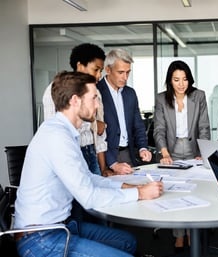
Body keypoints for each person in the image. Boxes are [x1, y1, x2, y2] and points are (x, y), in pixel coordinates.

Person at [14, 71, 164, 257]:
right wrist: (139, 193)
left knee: (127, 242)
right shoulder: (57, 138)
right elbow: (89, 197)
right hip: (40, 239)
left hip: (61, 227)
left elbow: (89, 178)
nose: (98, 104)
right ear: (75, 101)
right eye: (94, 98)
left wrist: (128, 186)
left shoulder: (64, 132)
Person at [153, 60, 211, 251]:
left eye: (185, 79)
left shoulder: (199, 96)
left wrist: (202, 153)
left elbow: (204, 127)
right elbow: (159, 129)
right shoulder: (162, 99)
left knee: (195, 190)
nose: (181, 84)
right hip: (172, 148)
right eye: (176, 79)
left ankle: (190, 232)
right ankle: (178, 233)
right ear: (170, 80)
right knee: (174, 192)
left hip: (193, 148)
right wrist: (164, 153)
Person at [42, 43, 109, 176]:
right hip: (69, 153)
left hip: (91, 152)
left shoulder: (96, 92)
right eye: (95, 69)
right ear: (80, 66)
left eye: (100, 71)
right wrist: (93, 123)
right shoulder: (55, 90)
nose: (99, 75)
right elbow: (54, 129)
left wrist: (103, 169)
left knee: (96, 192)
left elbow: (100, 135)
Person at [97, 49, 152, 175]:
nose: (125, 77)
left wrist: (143, 148)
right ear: (108, 70)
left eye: (128, 72)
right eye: (121, 72)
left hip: (128, 155)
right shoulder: (97, 92)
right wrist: (112, 163)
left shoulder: (130, 93)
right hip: (105, 159)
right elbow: (96, 136)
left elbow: (138, 125)